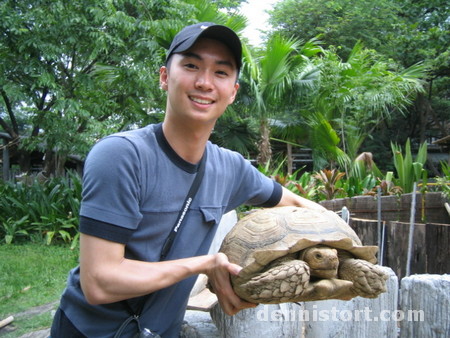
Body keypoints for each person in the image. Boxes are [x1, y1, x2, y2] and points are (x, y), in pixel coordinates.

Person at [50, 22, 325, 338]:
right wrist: (202, 264)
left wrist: (338, 241)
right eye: (192, 66)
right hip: (90, 332)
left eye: (221, 72)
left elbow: (294, 203)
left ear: (233, 92)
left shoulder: (230, 168)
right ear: (165, 77)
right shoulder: (121, 156)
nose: (205, 82)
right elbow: (99, 282)